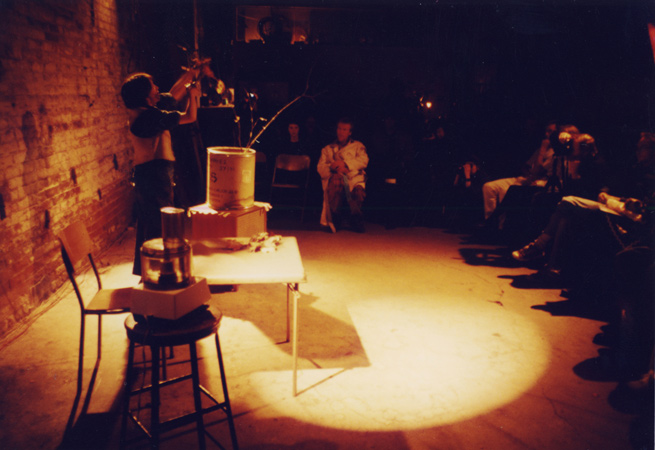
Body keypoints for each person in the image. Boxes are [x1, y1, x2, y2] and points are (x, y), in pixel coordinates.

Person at [121, 70, 201, 275]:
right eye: (153, 87)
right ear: (145, 96)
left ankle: (146, 272)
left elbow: (172, 96)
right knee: (160, 226)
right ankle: (161, 273)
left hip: (149, 173)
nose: (158, 89)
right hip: (154, 174)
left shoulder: (144, 110)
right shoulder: (149, 117)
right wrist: (193, 96)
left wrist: (190, 75)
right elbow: (190, 117)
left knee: (148, 224)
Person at [481, 121, 560, 222]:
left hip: (540, 180)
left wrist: (542, 149)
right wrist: (528, 174)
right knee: (489, 187)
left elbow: (538, 170)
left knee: (507, 190)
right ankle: (489, 220)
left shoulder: (554, 151)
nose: (546, 134)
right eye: (546, 131)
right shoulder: (539, 150)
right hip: (526, 177)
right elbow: (526, 166)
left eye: (550, 131)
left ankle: (500, 224)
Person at [317, 118, 369, 233]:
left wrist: (345, 164)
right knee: (336, 180)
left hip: (353, 178)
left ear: (350, 132)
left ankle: (355, 218)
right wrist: (333, 167)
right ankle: (335, 217)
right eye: (339, 129)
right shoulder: (328, 149)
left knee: (358, 191)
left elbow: (364, 160)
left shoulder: (357, 146)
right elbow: (320, 167)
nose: (341, 132)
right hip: (336, 178)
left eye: (344, 130)